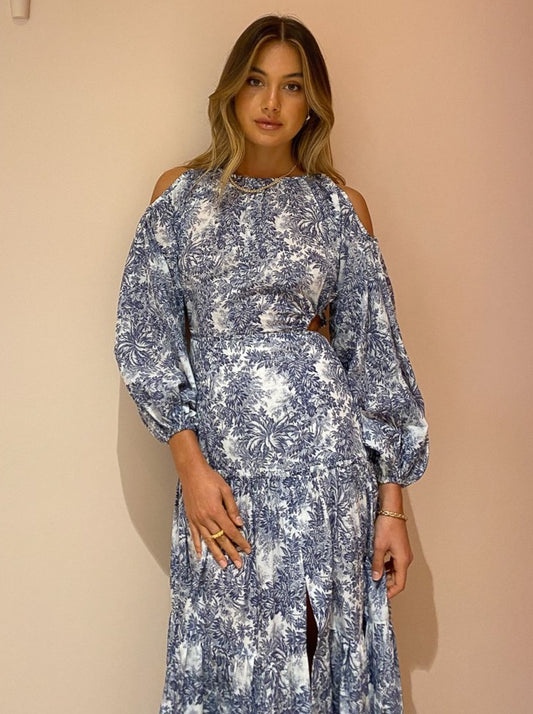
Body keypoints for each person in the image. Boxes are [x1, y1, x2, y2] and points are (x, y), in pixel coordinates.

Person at [115, 14, 428, 714]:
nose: (270, 102)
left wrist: (392, 510)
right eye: (256, 80)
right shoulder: (180, 196)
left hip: (328, 471)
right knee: (230, 658)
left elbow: (375, 360)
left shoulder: (338, 207)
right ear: (231, 88)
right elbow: (147, 339)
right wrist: (191, 468)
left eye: (292, 86)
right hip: (225, 471)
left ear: (311, 103)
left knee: (317, 647)